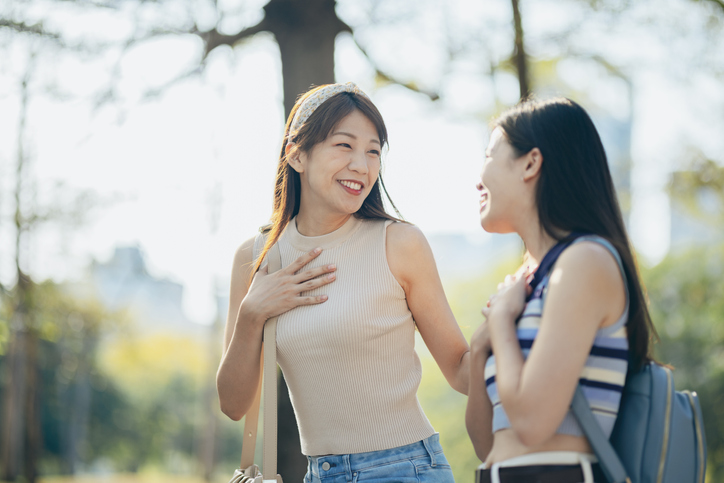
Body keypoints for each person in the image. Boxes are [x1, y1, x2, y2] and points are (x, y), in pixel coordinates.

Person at [217, 82, 470, 483]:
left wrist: (515, 331)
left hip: (406, 469)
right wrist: (252, 313)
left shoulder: (399, 243)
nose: (362, 165)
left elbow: (460, 370)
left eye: (373, 151)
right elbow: (232, 405)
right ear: (297, 155)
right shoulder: (257, 258)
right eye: (344, 146)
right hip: (319, 474)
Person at [465, 97, 657, 483]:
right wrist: (479, 350)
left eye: (489, 155)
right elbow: (488, 444)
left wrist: (501, 321)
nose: (477, 178)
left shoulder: (585, 262)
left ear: (531, 163)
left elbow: (533, 424)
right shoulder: (529, 280)